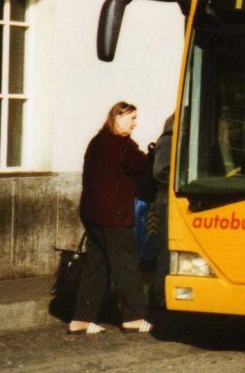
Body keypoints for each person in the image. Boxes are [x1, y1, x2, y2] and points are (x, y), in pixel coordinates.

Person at [68, 101, 153, 335]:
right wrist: (151, 155)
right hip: (114, 215)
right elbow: (143, 167)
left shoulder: (97, 142)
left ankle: (81, 319)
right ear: (117, 117)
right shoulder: (122, 146)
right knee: (125, 265)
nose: (135, 123)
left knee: (97, 265)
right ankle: (134, 317)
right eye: (132, 118)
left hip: (92, 214)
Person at [149, 114, 174, 311]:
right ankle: (159, 296)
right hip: (166, 203)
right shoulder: (167, 140)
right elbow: (161, 171)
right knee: (165, 250)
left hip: (171, 203)